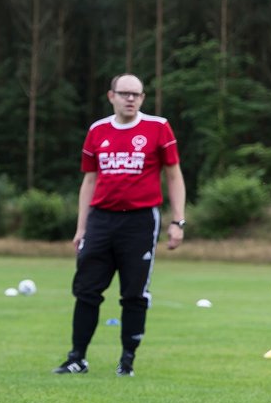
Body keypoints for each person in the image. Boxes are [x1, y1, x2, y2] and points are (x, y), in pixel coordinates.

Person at [54, 74, 185, 377]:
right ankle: (77, 358)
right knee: (86, 290)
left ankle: (127, 361)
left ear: (142, 98)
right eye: (124, 93)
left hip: (140, 221)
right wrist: (81, 227)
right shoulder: (97, 130)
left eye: (136, 94)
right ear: (111, 95)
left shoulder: (158, 127)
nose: (130, 99)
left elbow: (174, 175)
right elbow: (89, 180)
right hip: (101, 219)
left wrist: (177, 221)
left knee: (134, 293)